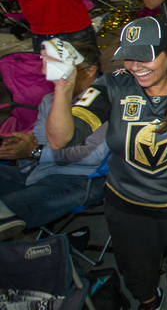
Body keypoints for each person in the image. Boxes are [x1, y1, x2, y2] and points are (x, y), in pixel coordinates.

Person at [44, 17, 167, 310]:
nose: (135, 65)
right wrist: (63, 88)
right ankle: (149, 300)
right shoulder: (114, 86)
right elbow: (60, 140)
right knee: (136, 273)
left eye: (145, 56)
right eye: (128, 56)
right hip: (128, 205)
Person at [0, 40, 105, 237]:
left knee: (7, 212)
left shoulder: (104, 98)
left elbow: (91, 156)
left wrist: (35, 152)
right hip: (37, 171)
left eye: (63, 66)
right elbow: (39, 139)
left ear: (90, 71)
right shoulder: (50, 100)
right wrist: (21, 148)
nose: (55, 73)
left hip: (80, 180)